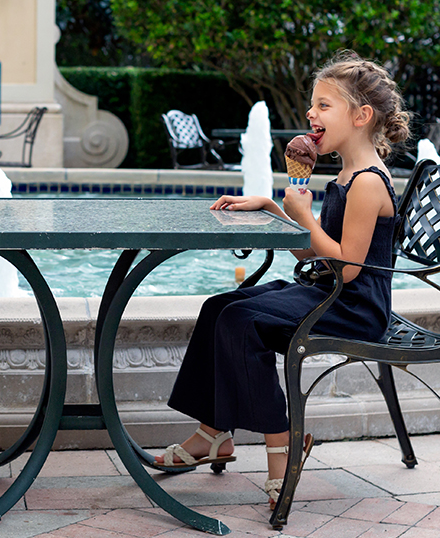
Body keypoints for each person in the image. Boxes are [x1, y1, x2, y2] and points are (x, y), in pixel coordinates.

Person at [155, 52, 410, 508]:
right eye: (312, 105)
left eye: (323, 105)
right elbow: (315, 253)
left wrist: (304, 217)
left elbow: (349, 267)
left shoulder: (369, 181)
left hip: (356, 308)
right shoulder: (347, 173)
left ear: (361, 116)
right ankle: (212, 434)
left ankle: (283, 444)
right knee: (219, 307)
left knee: (242, 322)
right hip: (330, 292)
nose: (311, 114)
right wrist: (275, 209)